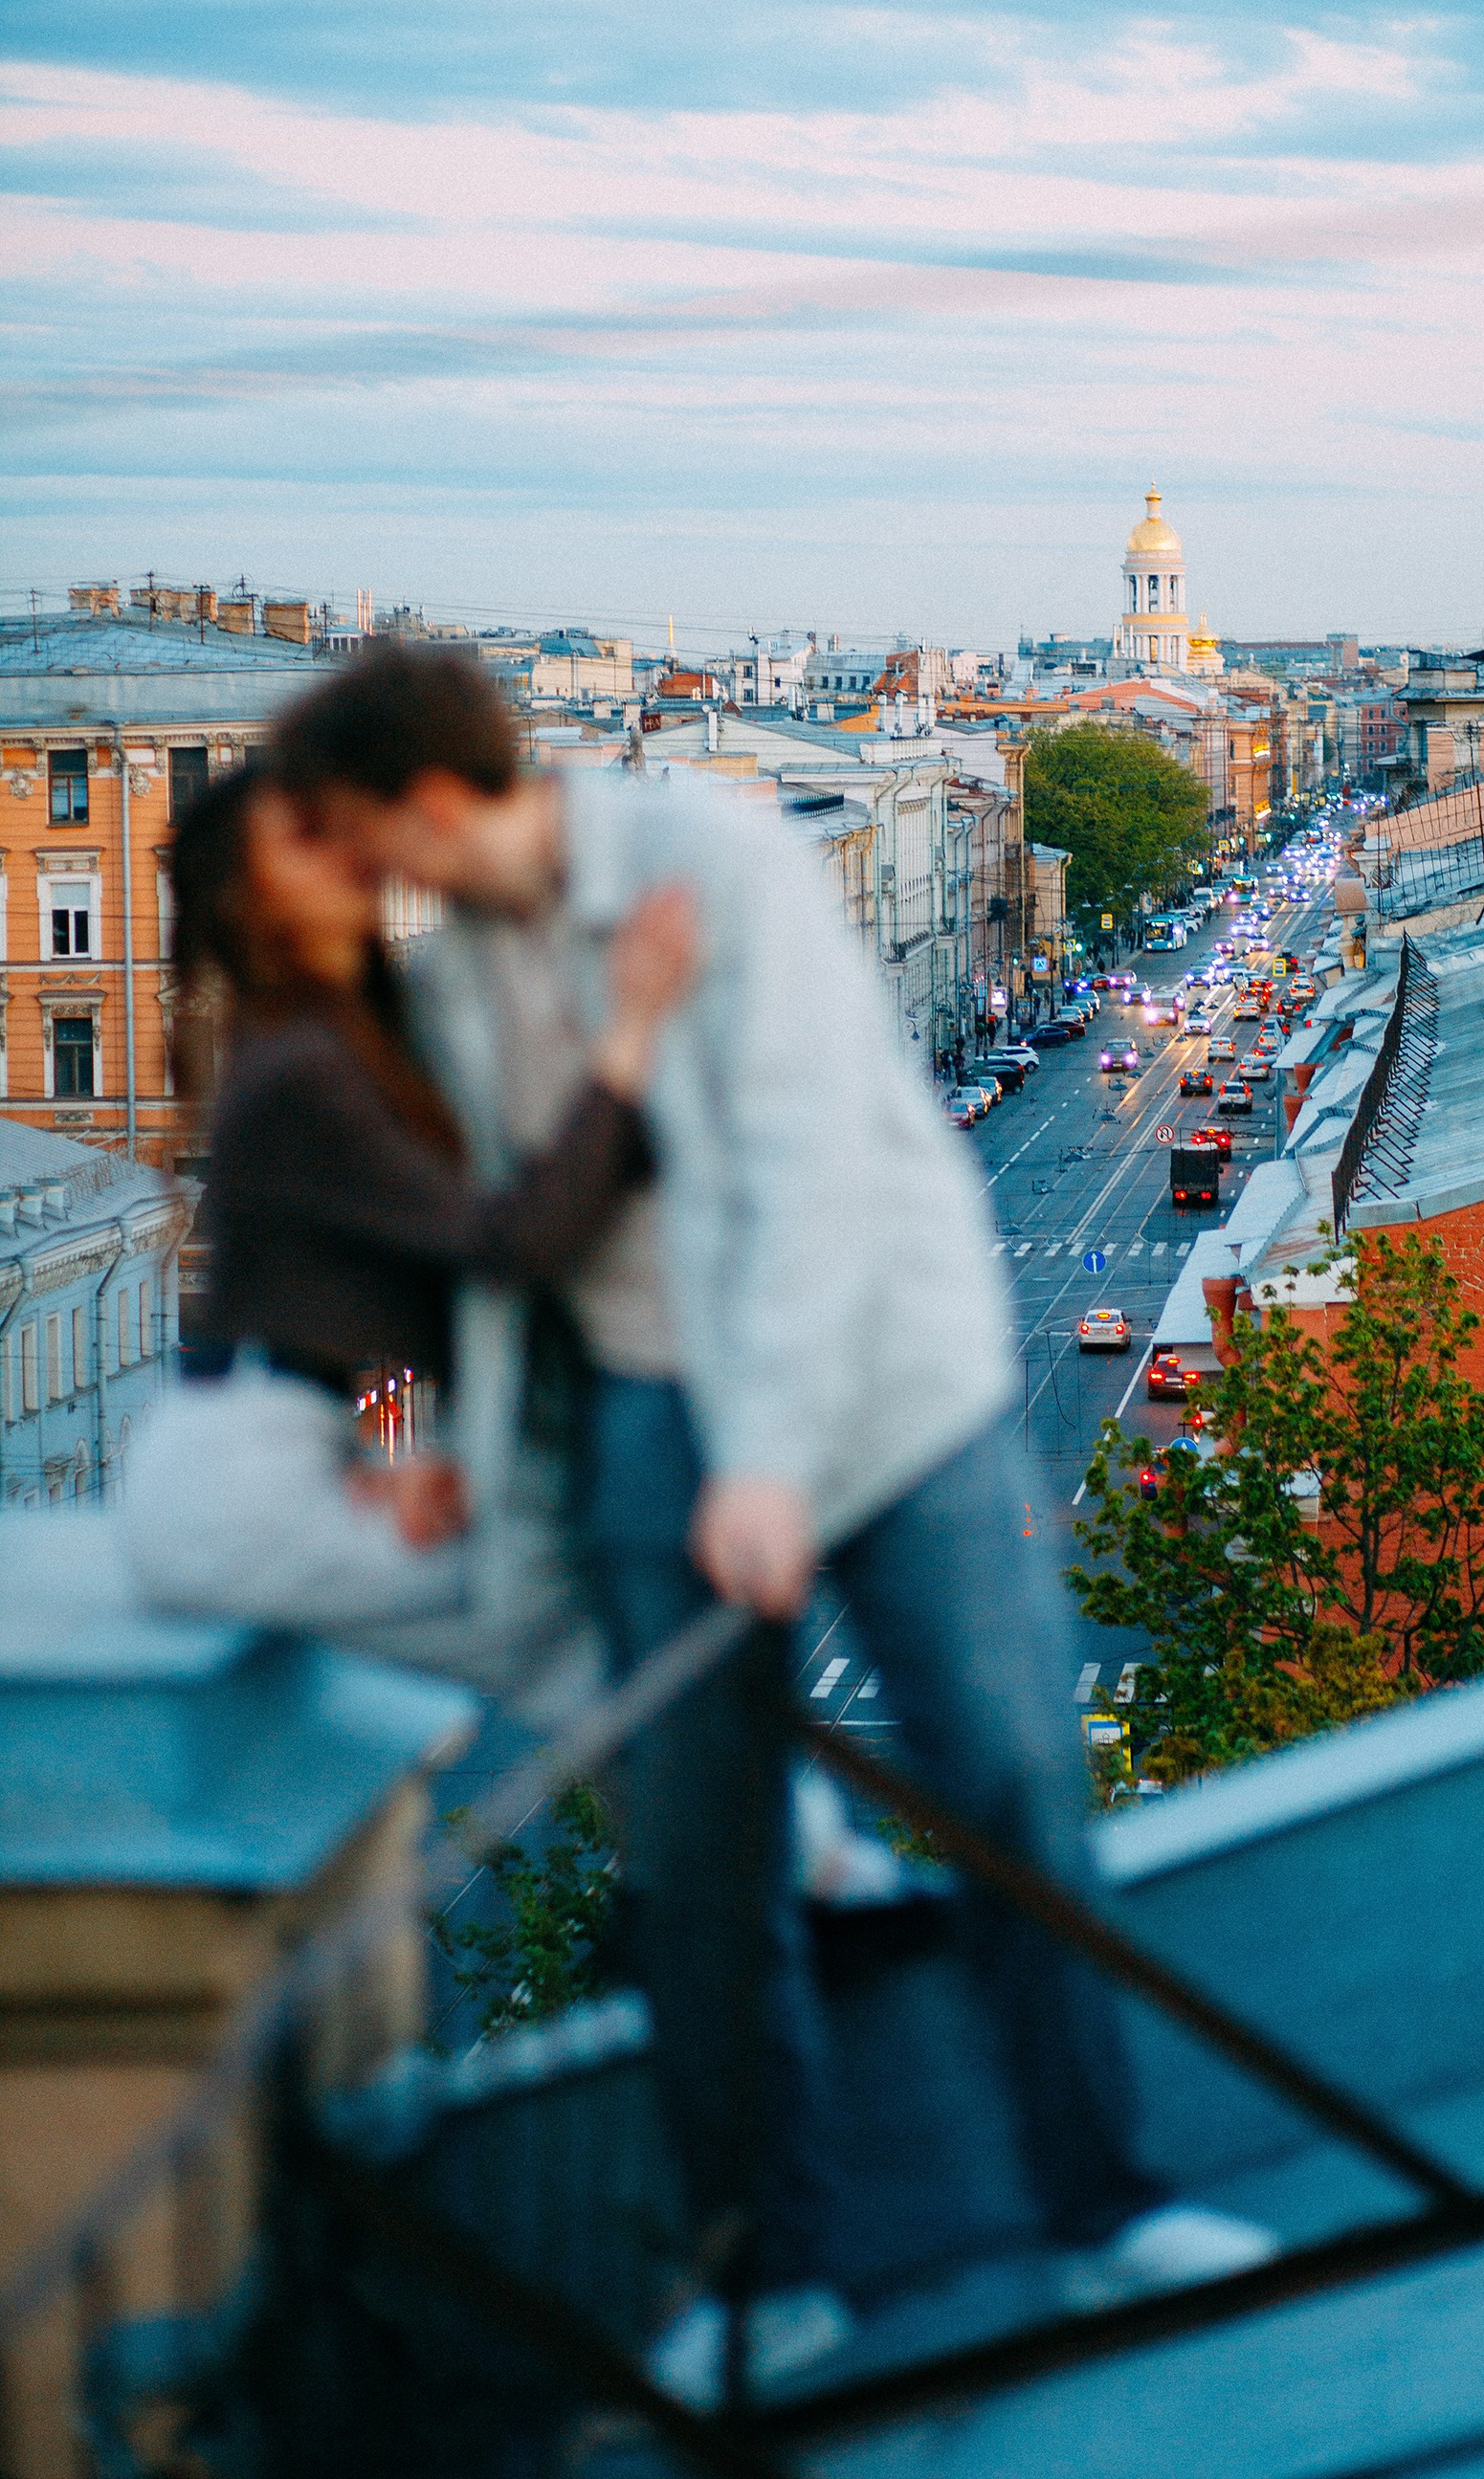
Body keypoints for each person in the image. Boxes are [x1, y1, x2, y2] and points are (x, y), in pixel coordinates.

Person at [270, 645, 1273, 2405]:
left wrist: (770, 1463)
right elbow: (527, 1265)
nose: (369, 882)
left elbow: (811, 1172)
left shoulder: (718, 864)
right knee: (700, 1859)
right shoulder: (468, 985)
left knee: (1011, 1777)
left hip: (889, 1383)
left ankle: (1105, 2201)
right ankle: (773, 2270)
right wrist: (516, 1502)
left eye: (365, 840)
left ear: (429, 803)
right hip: (666, 1406)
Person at [169, 762, 696, 1552]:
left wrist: (422, 1451)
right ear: (247, 898)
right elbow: (510, 1243)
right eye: (307, 838)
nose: (346, 845)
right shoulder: (300, 1066)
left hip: (277, 1447)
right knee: (572, 1612)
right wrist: (630, 1035)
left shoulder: (335, 1035)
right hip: (243, 1469)